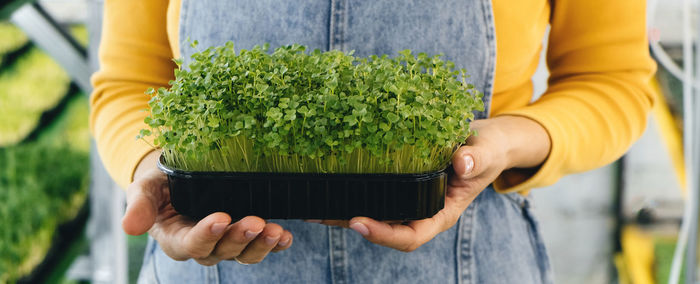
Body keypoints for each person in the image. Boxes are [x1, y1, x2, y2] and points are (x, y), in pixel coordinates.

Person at [90, 0, 655, 283]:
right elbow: (128, 83)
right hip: (212, 262)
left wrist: (506, 142)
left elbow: (611, 80)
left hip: (468, 262)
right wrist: (151, 167)